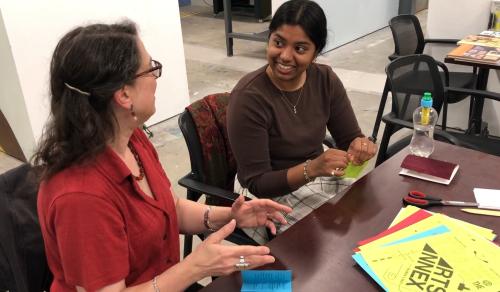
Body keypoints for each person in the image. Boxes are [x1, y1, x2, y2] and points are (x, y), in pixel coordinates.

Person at [33, 21, 292, 291]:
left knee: (289, 281)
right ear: (124, 94)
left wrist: (231, 216)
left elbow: (172, 209)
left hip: (167, 282)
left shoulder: (131, 138)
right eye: (151, 69)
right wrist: (197, 267)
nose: (156, 78)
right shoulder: (82, 197)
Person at [227, 0, 377, 244]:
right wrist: (312, 168)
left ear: (315, 52)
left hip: (316, 180)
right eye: (278, 43)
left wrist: (361, 146)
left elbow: (350, 138)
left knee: (370, 220)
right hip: (266, 194)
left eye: (300, 48)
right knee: (330, 247)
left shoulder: (324, 80)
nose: (285, 56)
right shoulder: (250, 98)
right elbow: (257, 182)